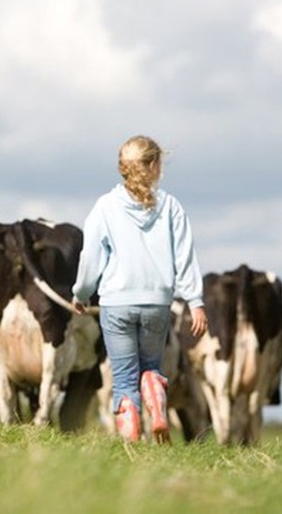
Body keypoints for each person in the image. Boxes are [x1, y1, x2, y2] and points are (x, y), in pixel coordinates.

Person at [71, 135, 207, 443]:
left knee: (123, 379)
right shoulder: (171, 206)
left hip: (116, 304)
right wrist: (195, 300)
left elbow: (90, 258)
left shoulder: (105, 206)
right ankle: (156, 393)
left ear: (122, 167)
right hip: (157, 303)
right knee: (150, 367)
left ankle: (131, 438)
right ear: (155, 165)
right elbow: (185, 255)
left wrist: (81, 294)